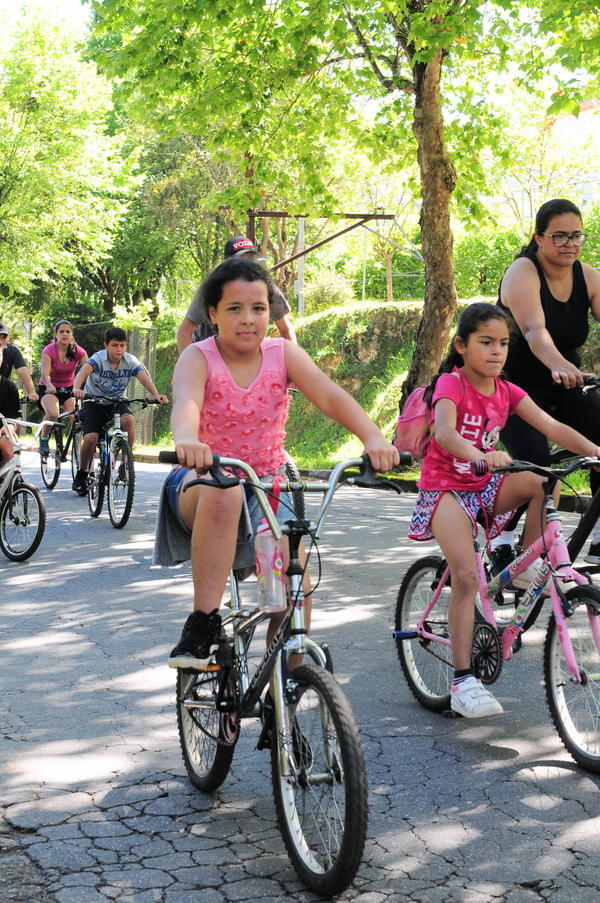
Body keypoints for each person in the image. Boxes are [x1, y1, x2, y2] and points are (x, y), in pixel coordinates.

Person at [155, 256, 398, 670]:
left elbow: (330, 395)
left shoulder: (282, 353)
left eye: (259, 309)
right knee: (225, 490)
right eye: (234, 308)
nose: (248, 319)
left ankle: (284, 684)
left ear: (271, 312)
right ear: (212, 314)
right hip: (201, 480)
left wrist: (373, 436)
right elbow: (187, 402)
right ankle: (203, 623)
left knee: (292, 582)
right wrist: (187, 440)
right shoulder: (198, 356)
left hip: (268, 487)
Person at [407, 302, 600, 719]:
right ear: (461, 346)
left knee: (538, 479)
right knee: (464, 576)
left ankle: (529, 560)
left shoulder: (508, 391)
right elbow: (444, 431)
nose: (497, 352)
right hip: (446, 488)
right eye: (486, 342)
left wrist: (595, 451)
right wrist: (479, 453)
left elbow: (553, 428)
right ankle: (462, 682)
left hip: (484, 484)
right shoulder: (451, 385)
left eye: (504, 344)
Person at [495, 198, 600, 566]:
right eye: (560, 236)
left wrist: (566, 372)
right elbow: (534, 330)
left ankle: (597, 530)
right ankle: (509, 539)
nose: (570, 244)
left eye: (576, 235)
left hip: (567, 382)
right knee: (537, 465)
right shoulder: (522, 272)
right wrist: (558, 365)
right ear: (538, 237)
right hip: (515, 386)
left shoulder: (588, 277)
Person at [72, 327, 168, 495]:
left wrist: (156, 395)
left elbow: (144, 377)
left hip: (117, 402)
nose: (119, 350)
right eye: (115, 345)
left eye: (122, 345)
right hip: (93, 401)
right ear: (106, 345)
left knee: (128, 421)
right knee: (91, 437)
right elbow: (82, 373)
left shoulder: (130, 361)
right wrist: (76, 389)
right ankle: (82, 472)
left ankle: (125, 463)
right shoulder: (98, 359)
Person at [176, 235, 297, 352]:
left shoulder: (265, 286)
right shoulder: (212, 287)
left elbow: (285, 329)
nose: (245, 265)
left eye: (250, 259)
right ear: (226, 264)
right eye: (240, 260)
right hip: (208, 353)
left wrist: (292, 366)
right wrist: (191, 366)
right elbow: (185, 331)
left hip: (245, 353)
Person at [38, 320, 88, 455]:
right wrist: (49, 385)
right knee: (53, 414)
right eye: (61, 331)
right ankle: (43, 439)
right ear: (56, 334)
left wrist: (84, 388)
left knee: (77, 416)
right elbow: (44, 372)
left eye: (68, 331)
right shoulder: (49, 350)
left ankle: (80, 447)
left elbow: (89, 369)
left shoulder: (78, 351)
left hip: (69, 388)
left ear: (72, 334)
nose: (65, 334)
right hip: (49, 388)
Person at [0, 323, 38, 403]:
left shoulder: (12, 351)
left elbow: (22, 371)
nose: (1, 339)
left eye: (3, 337)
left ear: (8, 338)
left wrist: (31, 392)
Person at [0, 376, 21, 465]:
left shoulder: (9, 387)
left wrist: (10, 427)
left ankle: (9, 477)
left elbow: (14, 418)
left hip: (2, 430)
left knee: (8, 439)